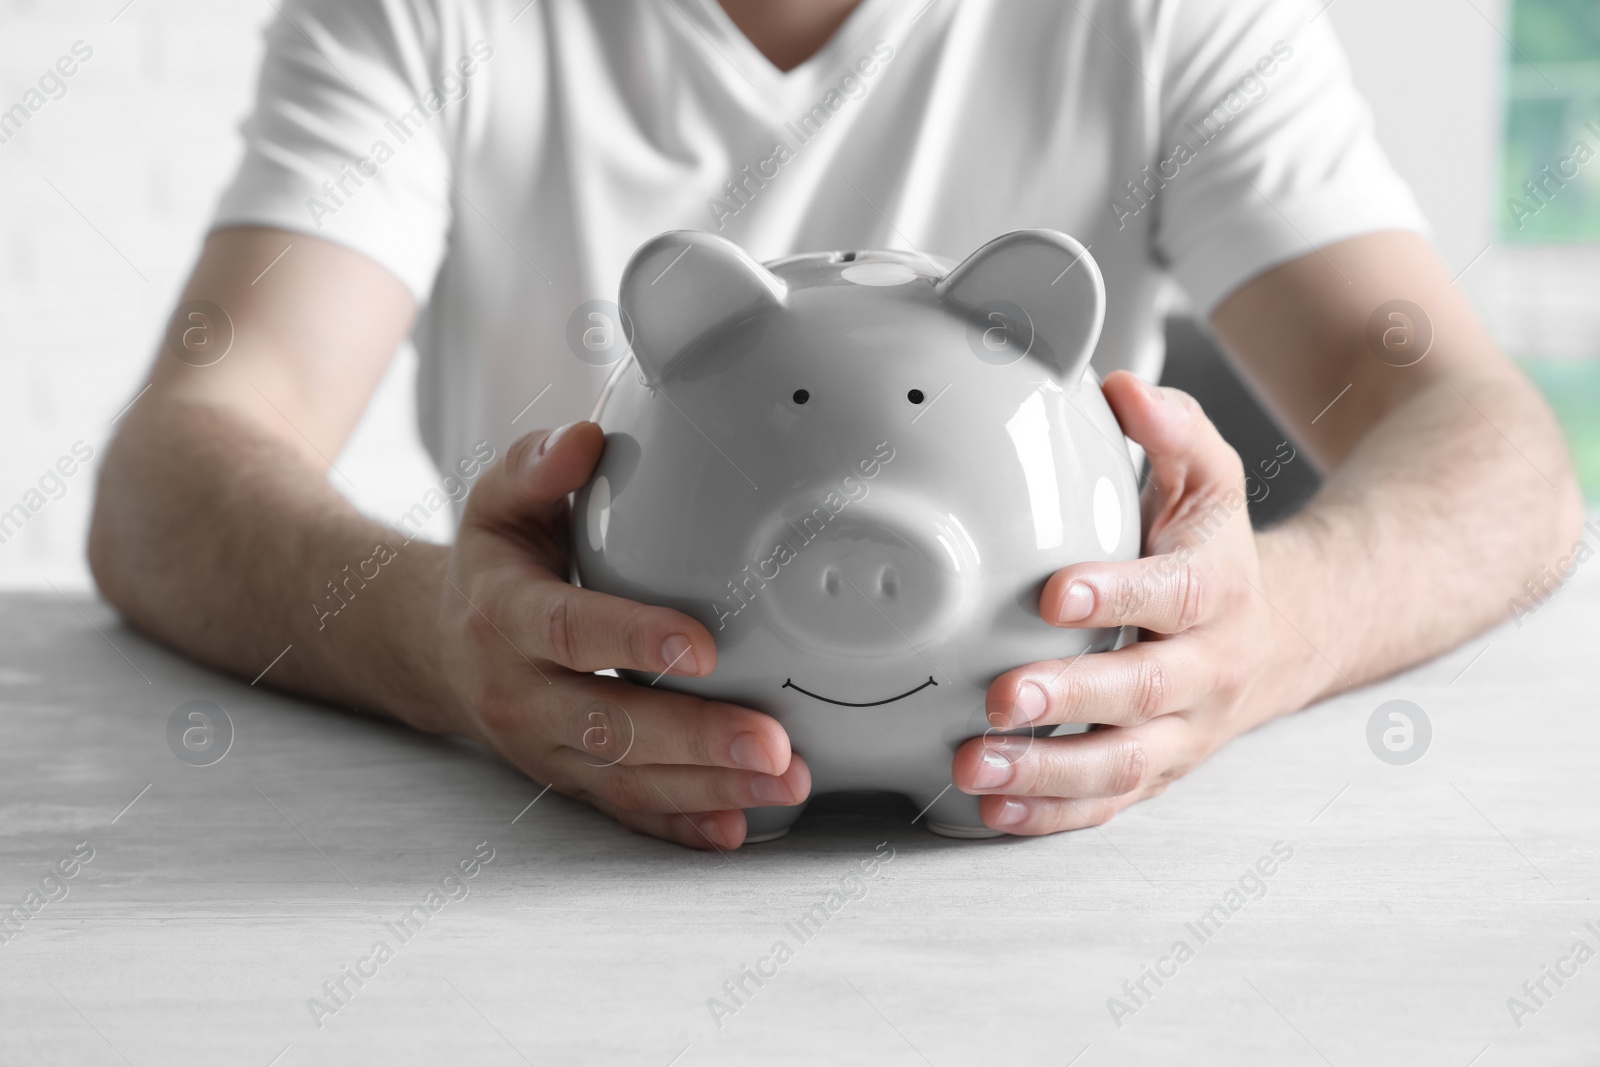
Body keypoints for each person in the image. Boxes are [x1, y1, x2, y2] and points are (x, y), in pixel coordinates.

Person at [89, 0, 1581, 849]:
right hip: (565, 897)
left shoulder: (1171, 15)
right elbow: (175, 466)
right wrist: (440, 642)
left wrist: (1268, 633)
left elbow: (1492, 444)